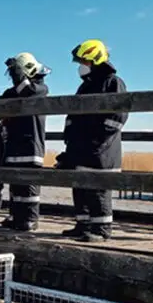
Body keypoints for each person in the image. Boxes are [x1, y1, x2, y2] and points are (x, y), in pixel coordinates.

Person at [57, 39, 128, 242]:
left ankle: (101, 229)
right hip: (81, 149)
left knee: (98, 190)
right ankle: (83, 225)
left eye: (84, 61)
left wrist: (96, 142)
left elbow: (116, 118)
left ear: (95, 60)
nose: (81, 66)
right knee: (80, 188)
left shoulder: (113, 83)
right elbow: (73, 117)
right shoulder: (85, 87)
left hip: (101, 150)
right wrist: (70, 146)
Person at [0, 52, 50, 231]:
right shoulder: (14, 92)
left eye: (16, 73)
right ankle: (16, 217)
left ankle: (30, 219)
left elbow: (28, 91)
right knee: (15, 185)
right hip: (13, 145)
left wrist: (18, 75)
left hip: (31, 146)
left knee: (29, 186)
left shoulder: (40, 88)